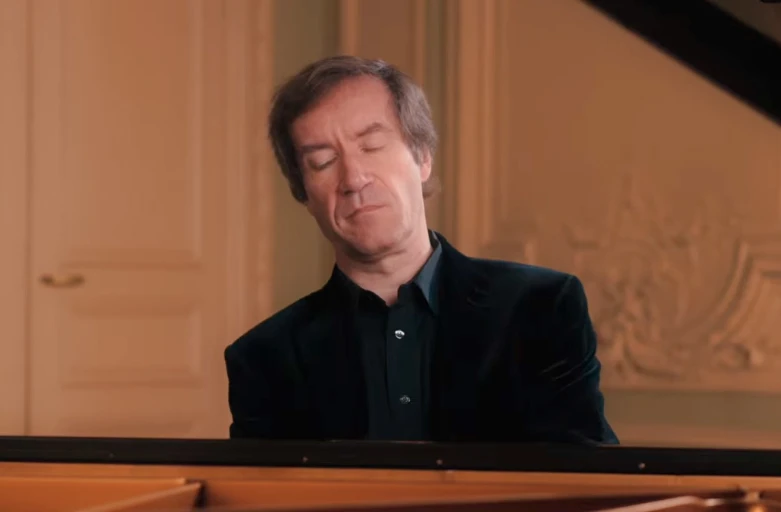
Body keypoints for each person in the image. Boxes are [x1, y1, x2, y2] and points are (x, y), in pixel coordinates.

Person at [224, 55, 618, 445]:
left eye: (372, 146)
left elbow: (585, 475)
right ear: (303, 194)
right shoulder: (263, 359)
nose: (354, 179)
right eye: (323, 162)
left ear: (423, 157)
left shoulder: (542, 308)